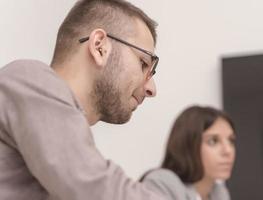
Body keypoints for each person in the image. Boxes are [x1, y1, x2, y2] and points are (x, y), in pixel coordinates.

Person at [0, 0, 163, 199]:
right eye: (144, 63)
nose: (151, 89)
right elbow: (96, 187)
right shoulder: (29, 79)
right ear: (99, 46)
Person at [141, 105, 236, 200]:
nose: (228, 150)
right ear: (187, 145)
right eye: (213, 141)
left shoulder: (219, 192)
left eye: (231, 140)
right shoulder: (162, 182)